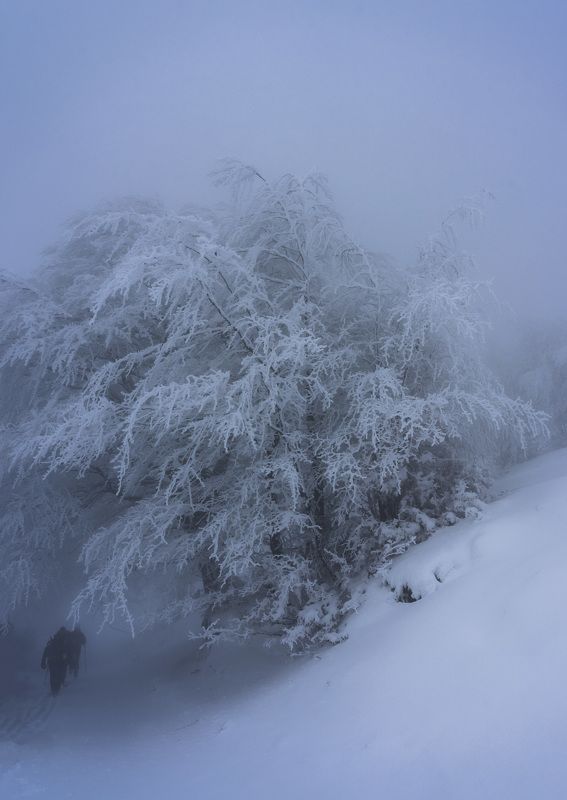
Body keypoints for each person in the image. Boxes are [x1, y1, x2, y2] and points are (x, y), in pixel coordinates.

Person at [40, 627, 69, 696]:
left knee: (52, 675)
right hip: (59, 662)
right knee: (58, 675)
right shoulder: (61, 644)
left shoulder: (50, 644)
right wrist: (65, 661)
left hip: (51, 662)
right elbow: (64, 654)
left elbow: (45, 653)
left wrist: (43, 662)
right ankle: (56, 689)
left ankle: (54, 689)